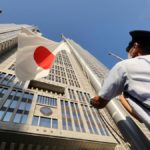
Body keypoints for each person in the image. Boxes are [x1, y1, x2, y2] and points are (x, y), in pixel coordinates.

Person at [90, 30, 150, 130]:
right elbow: (141, 117)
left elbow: (100, 103)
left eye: (129, 51)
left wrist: (92, 100)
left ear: (135, 47)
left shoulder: (125, 66)